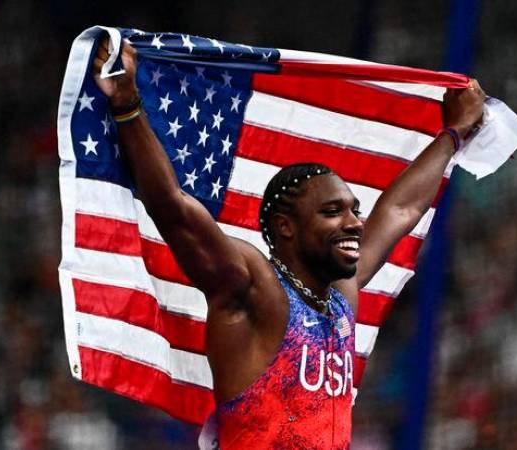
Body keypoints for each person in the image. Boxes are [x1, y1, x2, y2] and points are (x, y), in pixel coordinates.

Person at [92, 38, 485, 449]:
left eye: (354, 210)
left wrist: (454, 135)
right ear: (286, 227)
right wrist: (127, 104)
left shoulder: (339, 296)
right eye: (333, 211)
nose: (354, 223)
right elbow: (173, 209)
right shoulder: (252, 290)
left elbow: (400, 210)